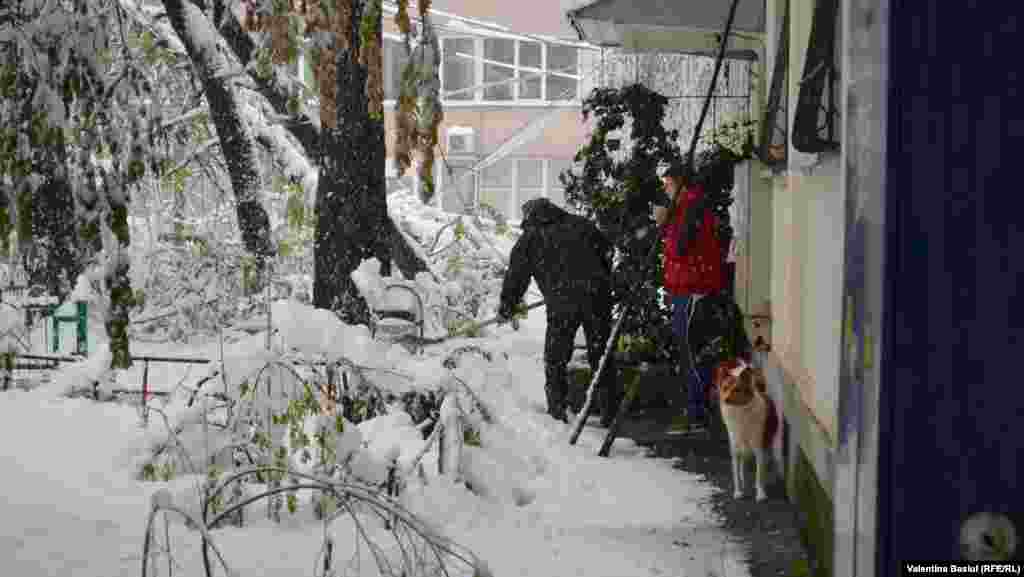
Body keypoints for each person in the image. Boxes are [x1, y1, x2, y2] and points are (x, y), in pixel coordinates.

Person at [498, 198, 619, 424]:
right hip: (597, 297)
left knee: (556, 357)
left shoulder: (531, 238)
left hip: (563, 304)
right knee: (601, 353)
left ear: (530, 216)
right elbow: (607, 251)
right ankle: (609, 411)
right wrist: (595, 280)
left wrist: (508, 306)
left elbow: (516, 275)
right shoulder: (582, 225)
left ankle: (557, 410)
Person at [654, 162, 726, 432]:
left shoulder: (691, 207)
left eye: (668, 184)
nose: (666, 189)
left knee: (692, 352)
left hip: (693, 288)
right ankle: (696, 410)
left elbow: (680, 247)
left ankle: (697, 414)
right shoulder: (689, 207)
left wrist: (665, 222)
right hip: (688, 287)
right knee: (693, 351)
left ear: (680, 183)